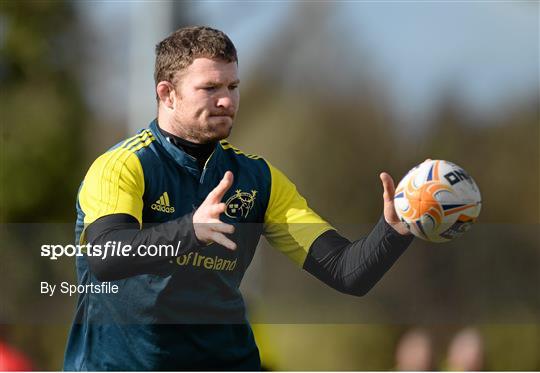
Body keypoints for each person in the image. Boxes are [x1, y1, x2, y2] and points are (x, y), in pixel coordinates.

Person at [63, 26, 414, 370]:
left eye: (233, 86)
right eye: (210, 87)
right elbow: (106, 255)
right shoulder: (123, 166)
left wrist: (395, 231)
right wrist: (191, 231)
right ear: (167, 93)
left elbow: (346, 271)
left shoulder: (258, 179)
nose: (227, 100)